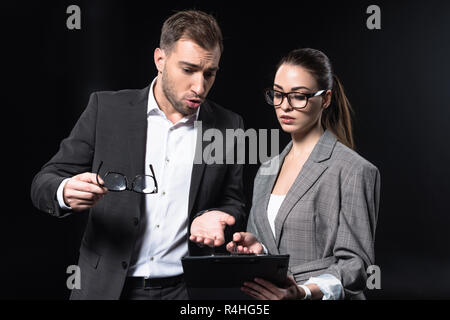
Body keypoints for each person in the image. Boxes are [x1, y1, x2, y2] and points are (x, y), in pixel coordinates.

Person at [30, 10, 246, 300]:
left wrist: (217, 215)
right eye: (188, 70)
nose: (200, 86)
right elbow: (43, 182)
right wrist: (64, 190)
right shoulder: (106, 110)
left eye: (210, 73)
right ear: (160, 60)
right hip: (106, 289)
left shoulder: (228, 125)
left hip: (187, 291)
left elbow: (233, 201)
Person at [226, 48, 380, 300]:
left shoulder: (353, 170)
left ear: (326, 99)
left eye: (298, 96)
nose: (285, 106)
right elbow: (277, 249)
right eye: (277, 94)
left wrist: (304, 292)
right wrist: (259, 248)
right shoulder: (267, 169)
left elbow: (355, 267)